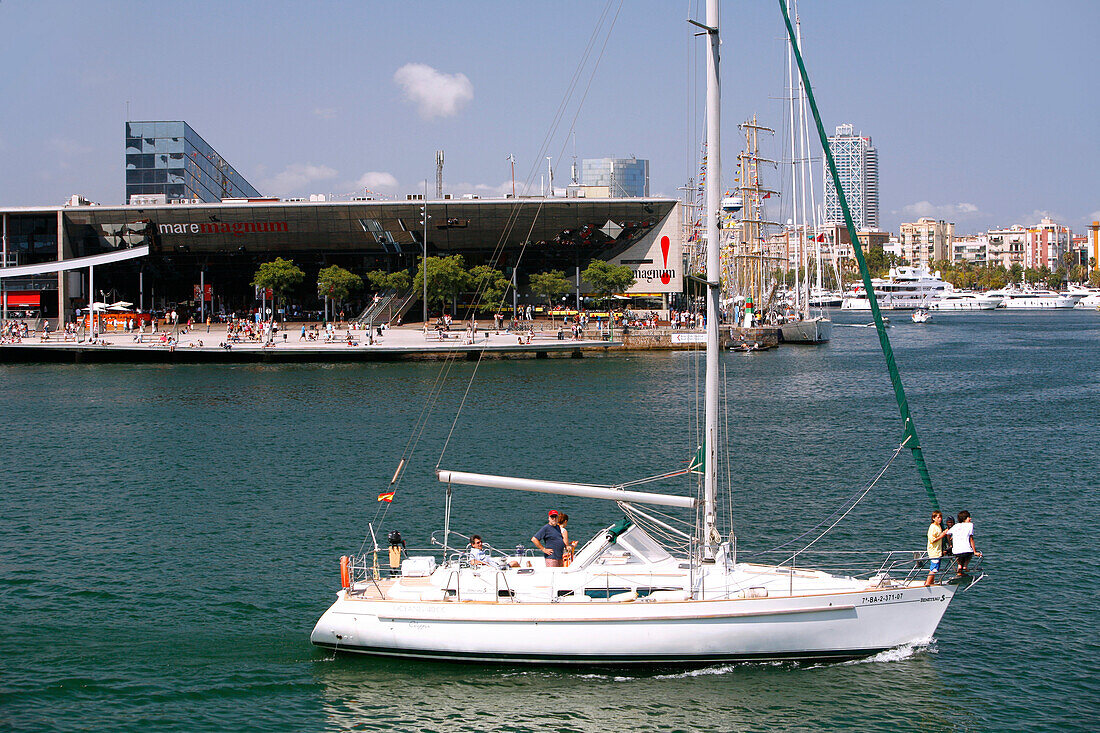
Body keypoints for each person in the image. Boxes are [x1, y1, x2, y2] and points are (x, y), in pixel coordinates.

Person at [945, 510, 981, 575]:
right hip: (966, 551)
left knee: (958, 556)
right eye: (968, 517)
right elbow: (971, 539)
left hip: (956, 551)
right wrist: (975, 551)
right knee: (969, 554)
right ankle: (965, 566)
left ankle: (959, 565)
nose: (970, 519)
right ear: (965, 519)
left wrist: (950, 544)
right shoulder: (970, 525)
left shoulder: (956, 526)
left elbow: (947, 534)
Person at [924, 510, 945, 586]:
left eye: (940, 517)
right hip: (934, 551)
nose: (940, 519)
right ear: (933, 518)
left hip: (938, 550)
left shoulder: (938, 526)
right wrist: (942, 536)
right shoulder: (932, 527)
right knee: (934, 568)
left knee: (936, 567)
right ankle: (928, 583)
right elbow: (932, 539)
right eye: (938, 517)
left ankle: (931, 582)